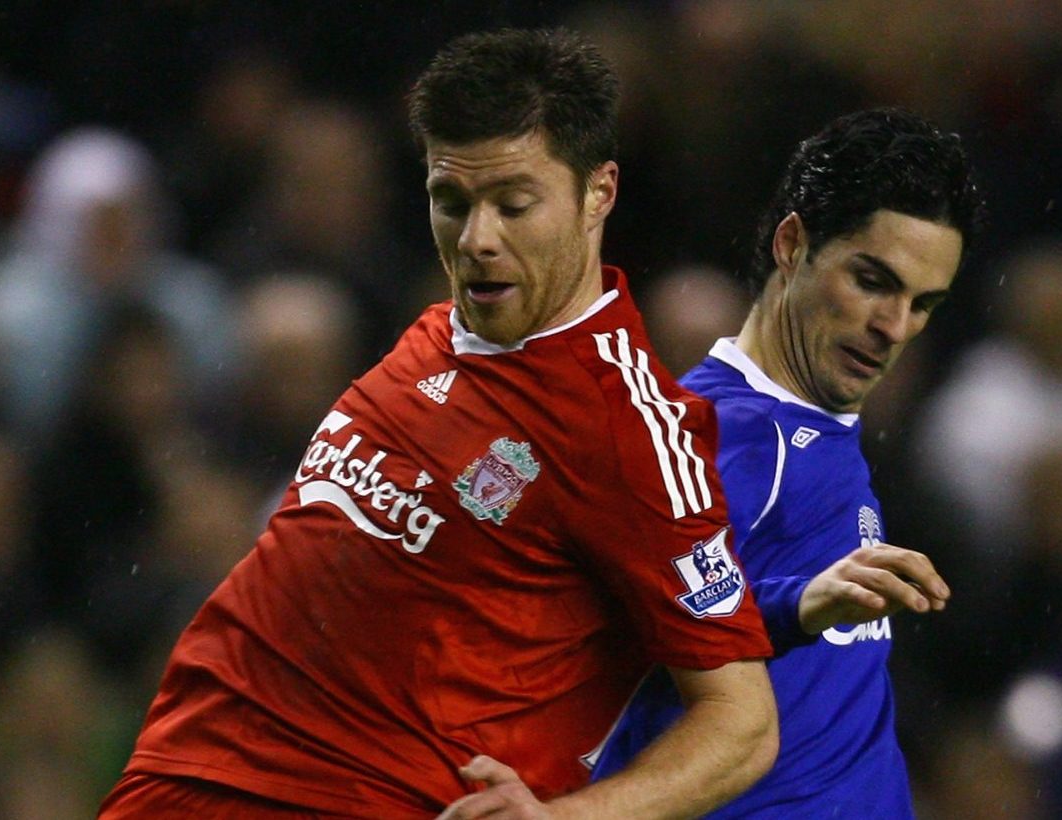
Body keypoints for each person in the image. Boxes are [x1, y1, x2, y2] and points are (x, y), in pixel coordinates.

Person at [99, 28, 780, 818]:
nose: (477, 239)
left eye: (513, 204)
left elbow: (743, 722)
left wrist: (566, 818)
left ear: (600, 192)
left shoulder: (627, 427)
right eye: (450, 203)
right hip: (181, 782)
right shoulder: (430, 334)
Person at [592, 108, 983, 818]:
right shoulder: (724, 435)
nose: (895, 327)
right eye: (873, 281)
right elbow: (618, 642)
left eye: (923, 304)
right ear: (794, 244)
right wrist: (797, 605)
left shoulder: (816, 430)